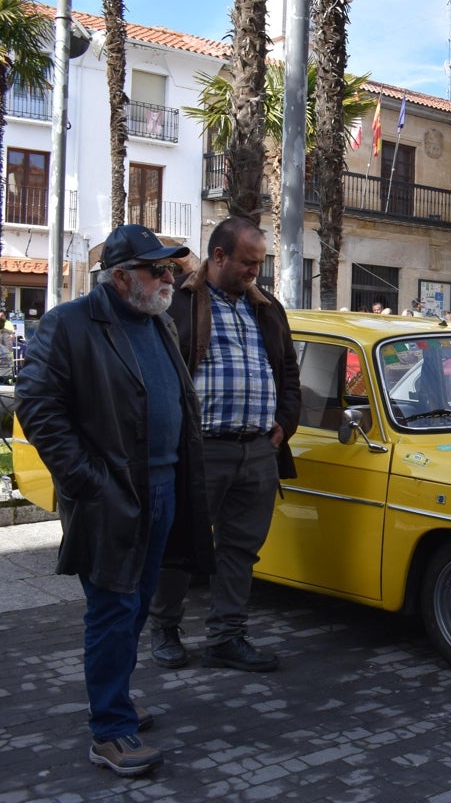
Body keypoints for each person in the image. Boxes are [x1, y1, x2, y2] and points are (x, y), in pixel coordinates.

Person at [16, 224, 213, 777]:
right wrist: (87, 482)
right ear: (121, 276)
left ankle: (117, 699)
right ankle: (109, 731)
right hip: (113, 494)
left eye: (171, 268)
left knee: (136, 607)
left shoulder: (157, 323)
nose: (169, 277)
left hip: (162, 488)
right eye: (157, 269)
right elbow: (37, 407)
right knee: (112, 610)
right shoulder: (70, 324)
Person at [149, 217, 301, 674]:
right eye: (248, 263)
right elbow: (154, 375)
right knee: (181, 545)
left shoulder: (267, 307)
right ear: (218, 256)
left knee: (241, 549)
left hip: (257, 450)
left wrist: (285, 424)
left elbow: (289, 375)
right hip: (200, 450)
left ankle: (227, 638)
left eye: (260, 263)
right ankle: (164, 629)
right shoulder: (177, 302)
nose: (256, 271)